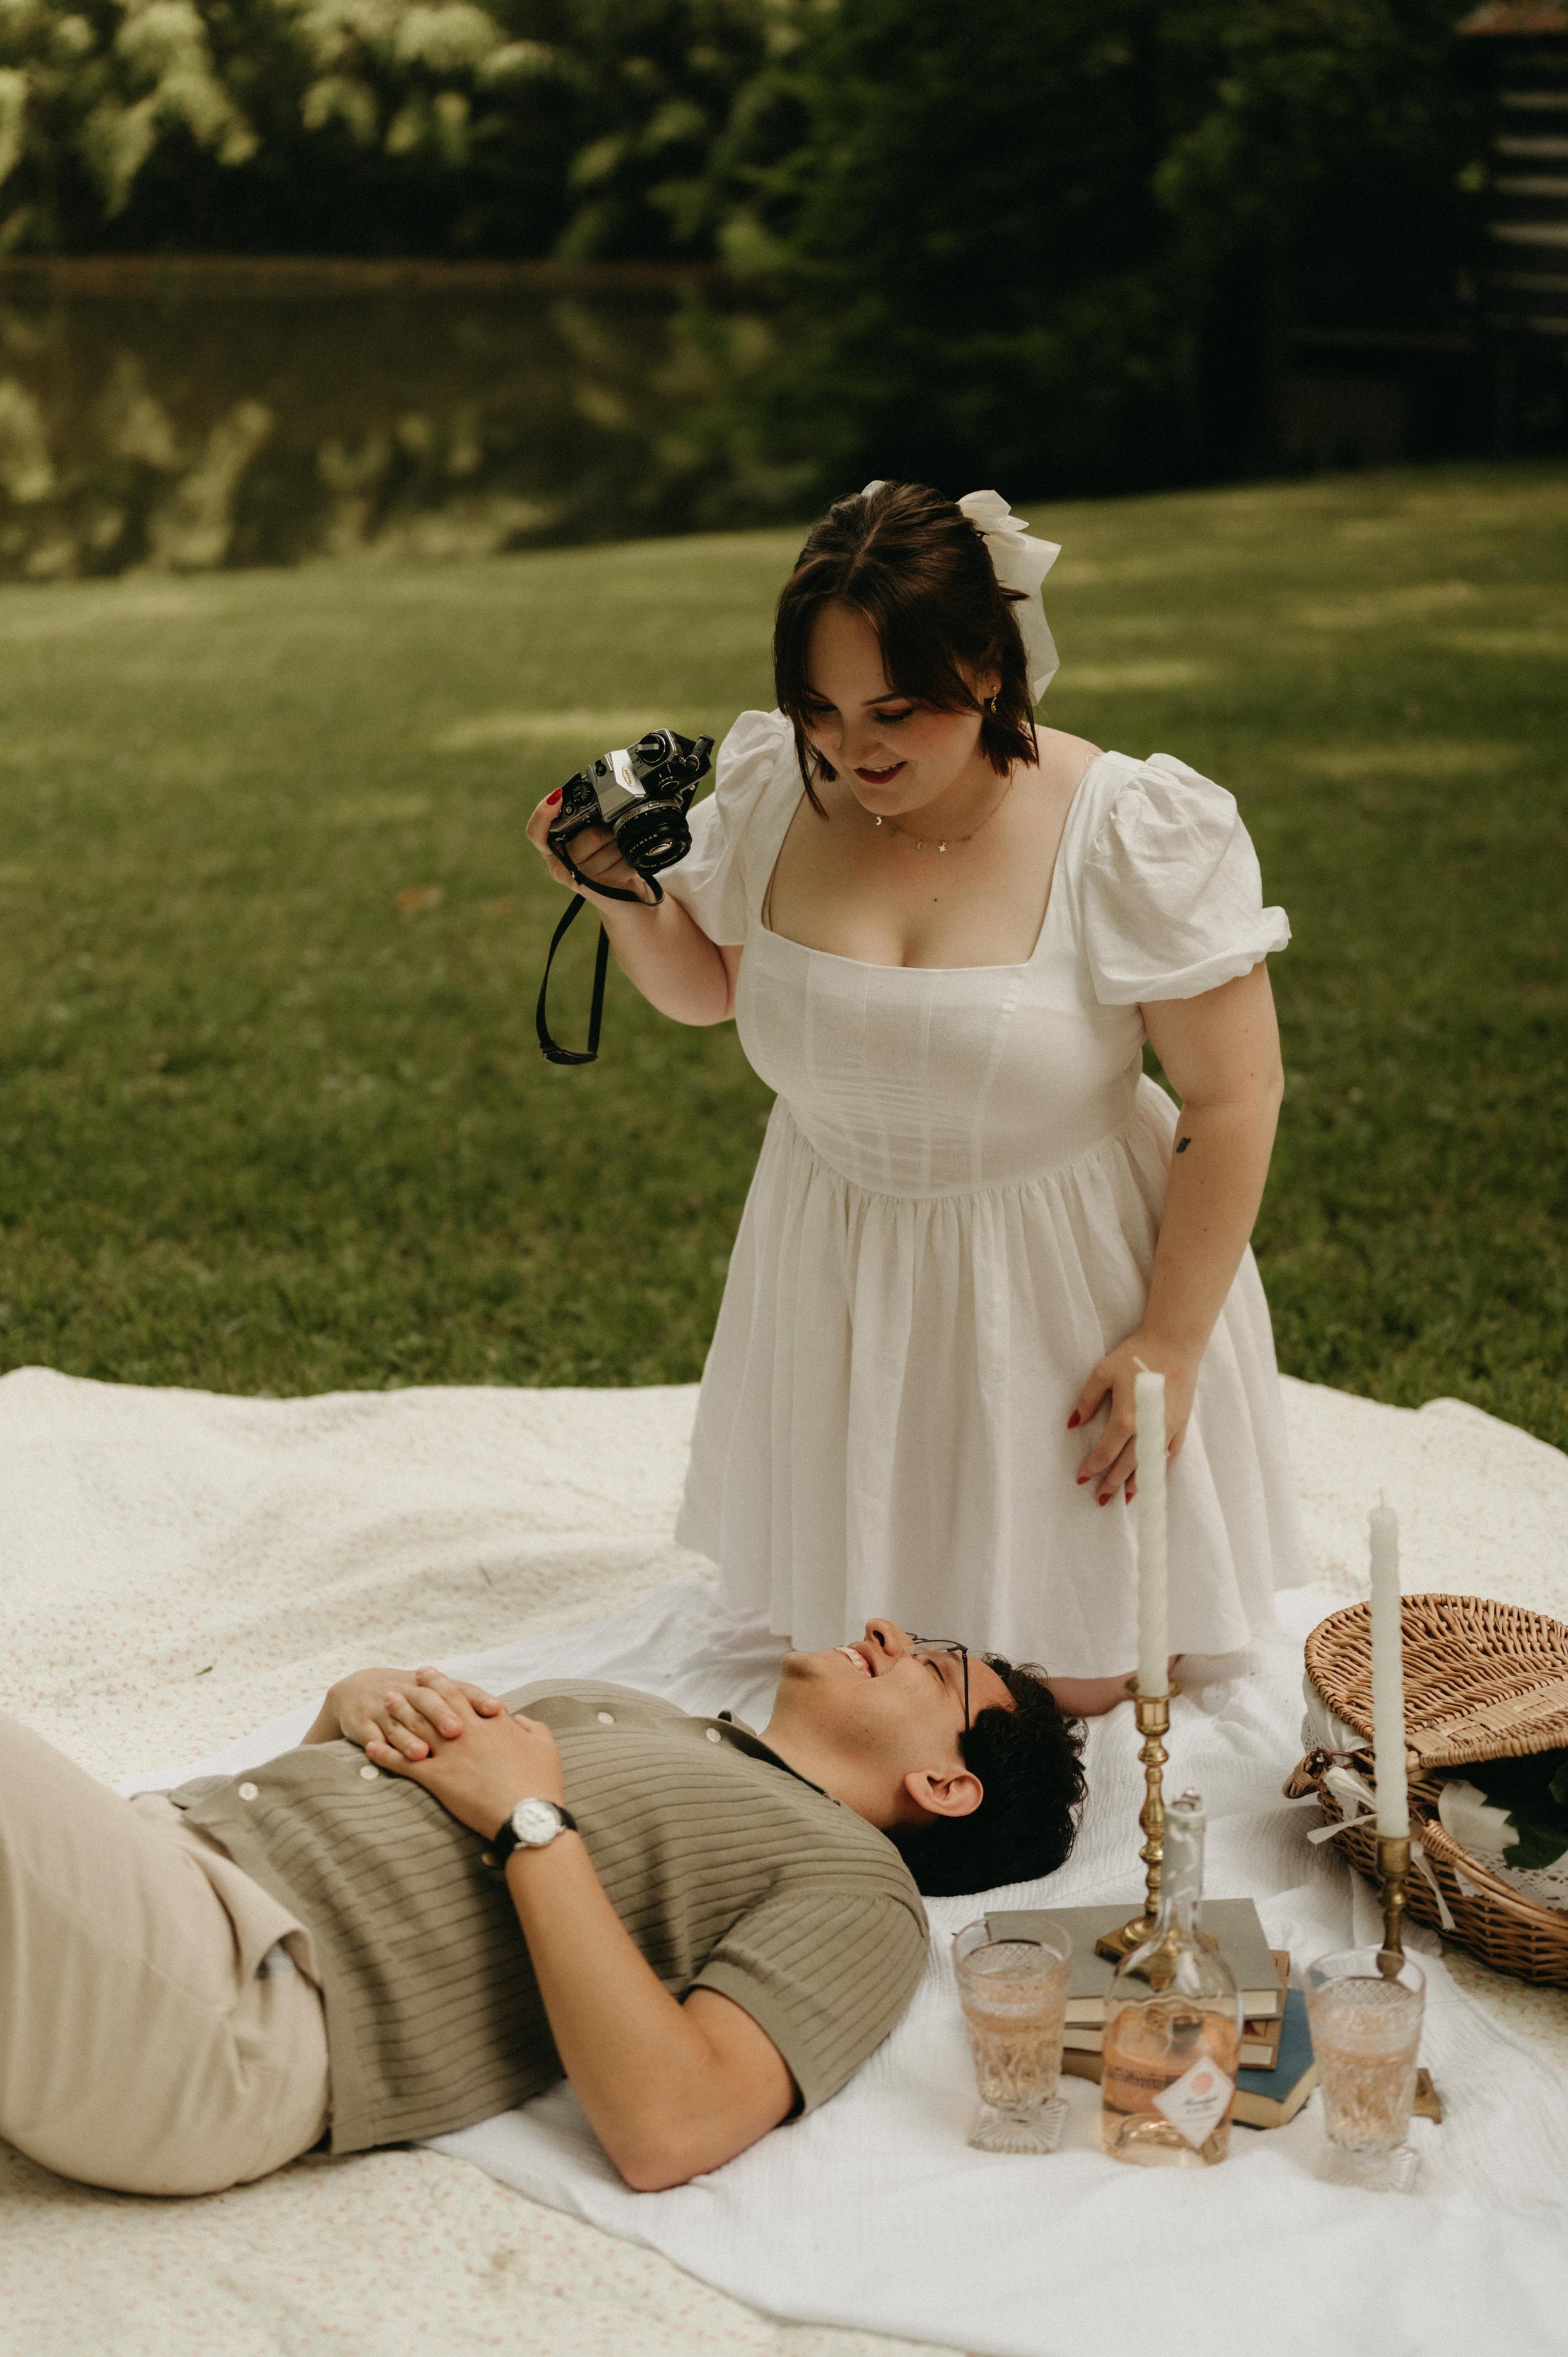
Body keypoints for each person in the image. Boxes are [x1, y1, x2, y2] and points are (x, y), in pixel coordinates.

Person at [527, 481, 1311, 1713]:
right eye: (820, 710)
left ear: (988, 667)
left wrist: (1168, 1339)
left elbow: (1236, 1092)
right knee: (851, 1659)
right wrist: (616, 890)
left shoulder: (1125, 827)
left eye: (894, 709)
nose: (854, 748)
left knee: (1073, 1684)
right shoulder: (780, 789)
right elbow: (712, 990)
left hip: (1058, 1271)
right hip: (835, 1242)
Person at [0, 1619, 1084, 2200]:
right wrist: (351, 1712)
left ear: (947, 1785)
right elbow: (396, 1854)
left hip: (234, 1998)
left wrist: (529, 1817)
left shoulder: (862, 1890)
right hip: (160, 1872)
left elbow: (675, 2126)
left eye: (935, 1670)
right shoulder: (660, 1720)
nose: (888, 1629)